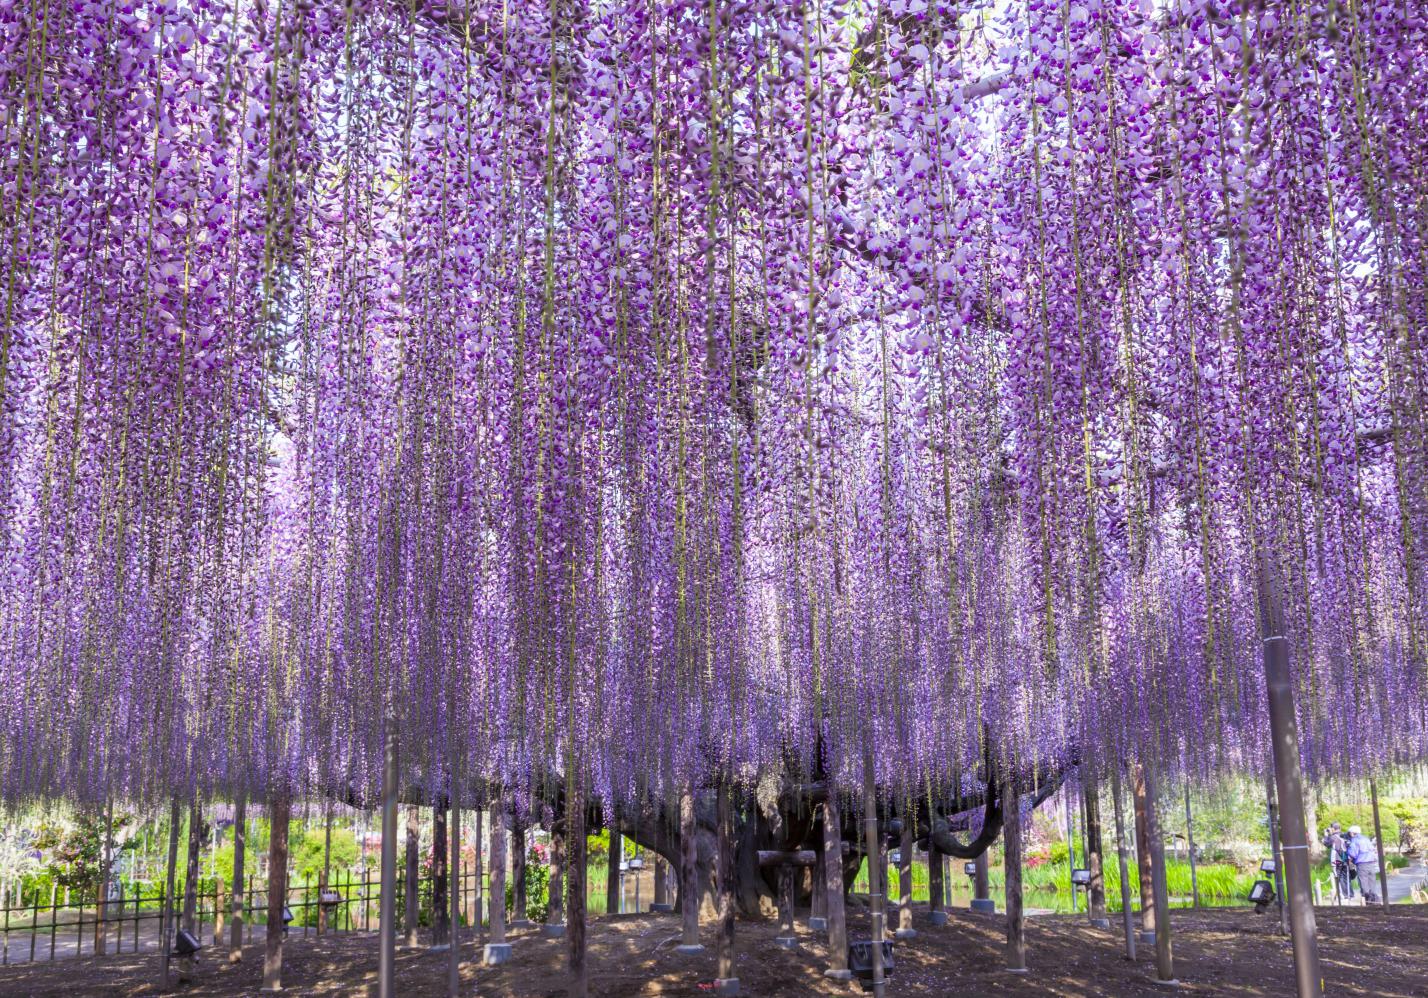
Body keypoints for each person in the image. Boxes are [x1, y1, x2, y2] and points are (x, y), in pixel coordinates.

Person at [1346, 825, 1381, 904]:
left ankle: (1367, 901)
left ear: (1352, 833)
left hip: (1362, 864)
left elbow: (1353, 853)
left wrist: (1348, 849)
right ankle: (1374, 900)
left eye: (1350, 833)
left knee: (1364, 883)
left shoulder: (1354, 840)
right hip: (1371, 863)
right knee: (1372, 882)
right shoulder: (1366, 839)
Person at [1323, 822, 1352, 900]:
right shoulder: (1344, 836)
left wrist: (1326, 835)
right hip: (1345, 859)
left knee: (1337, 876)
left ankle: (1343, 895)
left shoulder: (1332, 837)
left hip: (1336, 860)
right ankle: (1349, 894)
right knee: (1345, 876)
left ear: (1332, 828)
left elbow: (1326, 844)